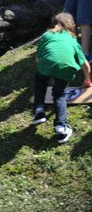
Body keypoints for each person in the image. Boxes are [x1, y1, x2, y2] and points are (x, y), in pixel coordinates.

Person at [32, 12, 91, 144]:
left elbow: (38, 58)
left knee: (40, 81)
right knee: (59, 95)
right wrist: (87, 80)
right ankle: (61, 128)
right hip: (65, 67)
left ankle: (39, 111)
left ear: (53, 23)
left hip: (45, 64)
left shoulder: (47, 35)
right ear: (72, 25)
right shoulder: (72, 39)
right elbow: (85, 65)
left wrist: (44, 70)